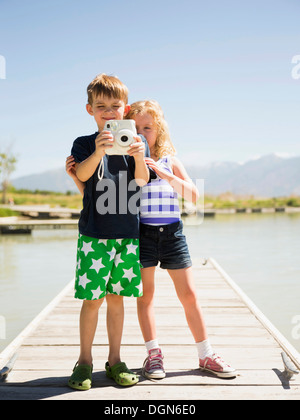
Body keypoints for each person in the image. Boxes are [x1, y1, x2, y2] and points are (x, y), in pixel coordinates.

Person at [125, 100, 236, 379]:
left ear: (159, 129)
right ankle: (153, 355)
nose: (141, 133)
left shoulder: (170, 160)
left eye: (147, 128)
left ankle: (206, 354)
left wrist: (164, 173)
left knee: (189, 295)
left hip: (173, 234)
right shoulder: (126, 162)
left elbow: (195, 197)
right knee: (145, 296)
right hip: (144, 235)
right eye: (135, 128)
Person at [67, 74, 151, 391]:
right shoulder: (85, 143)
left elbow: (141, 181)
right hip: (94, 235)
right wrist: (99, 152)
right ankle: (84, 360)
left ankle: (115, 359)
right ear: (90, 109)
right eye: (101, 106)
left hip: (127, 236)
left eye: (115, 106)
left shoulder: (133, 143)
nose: (108, 112)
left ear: (124, 109)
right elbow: (84, 176)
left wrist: (140, 156)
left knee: (117, 300)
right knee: (93, 300)